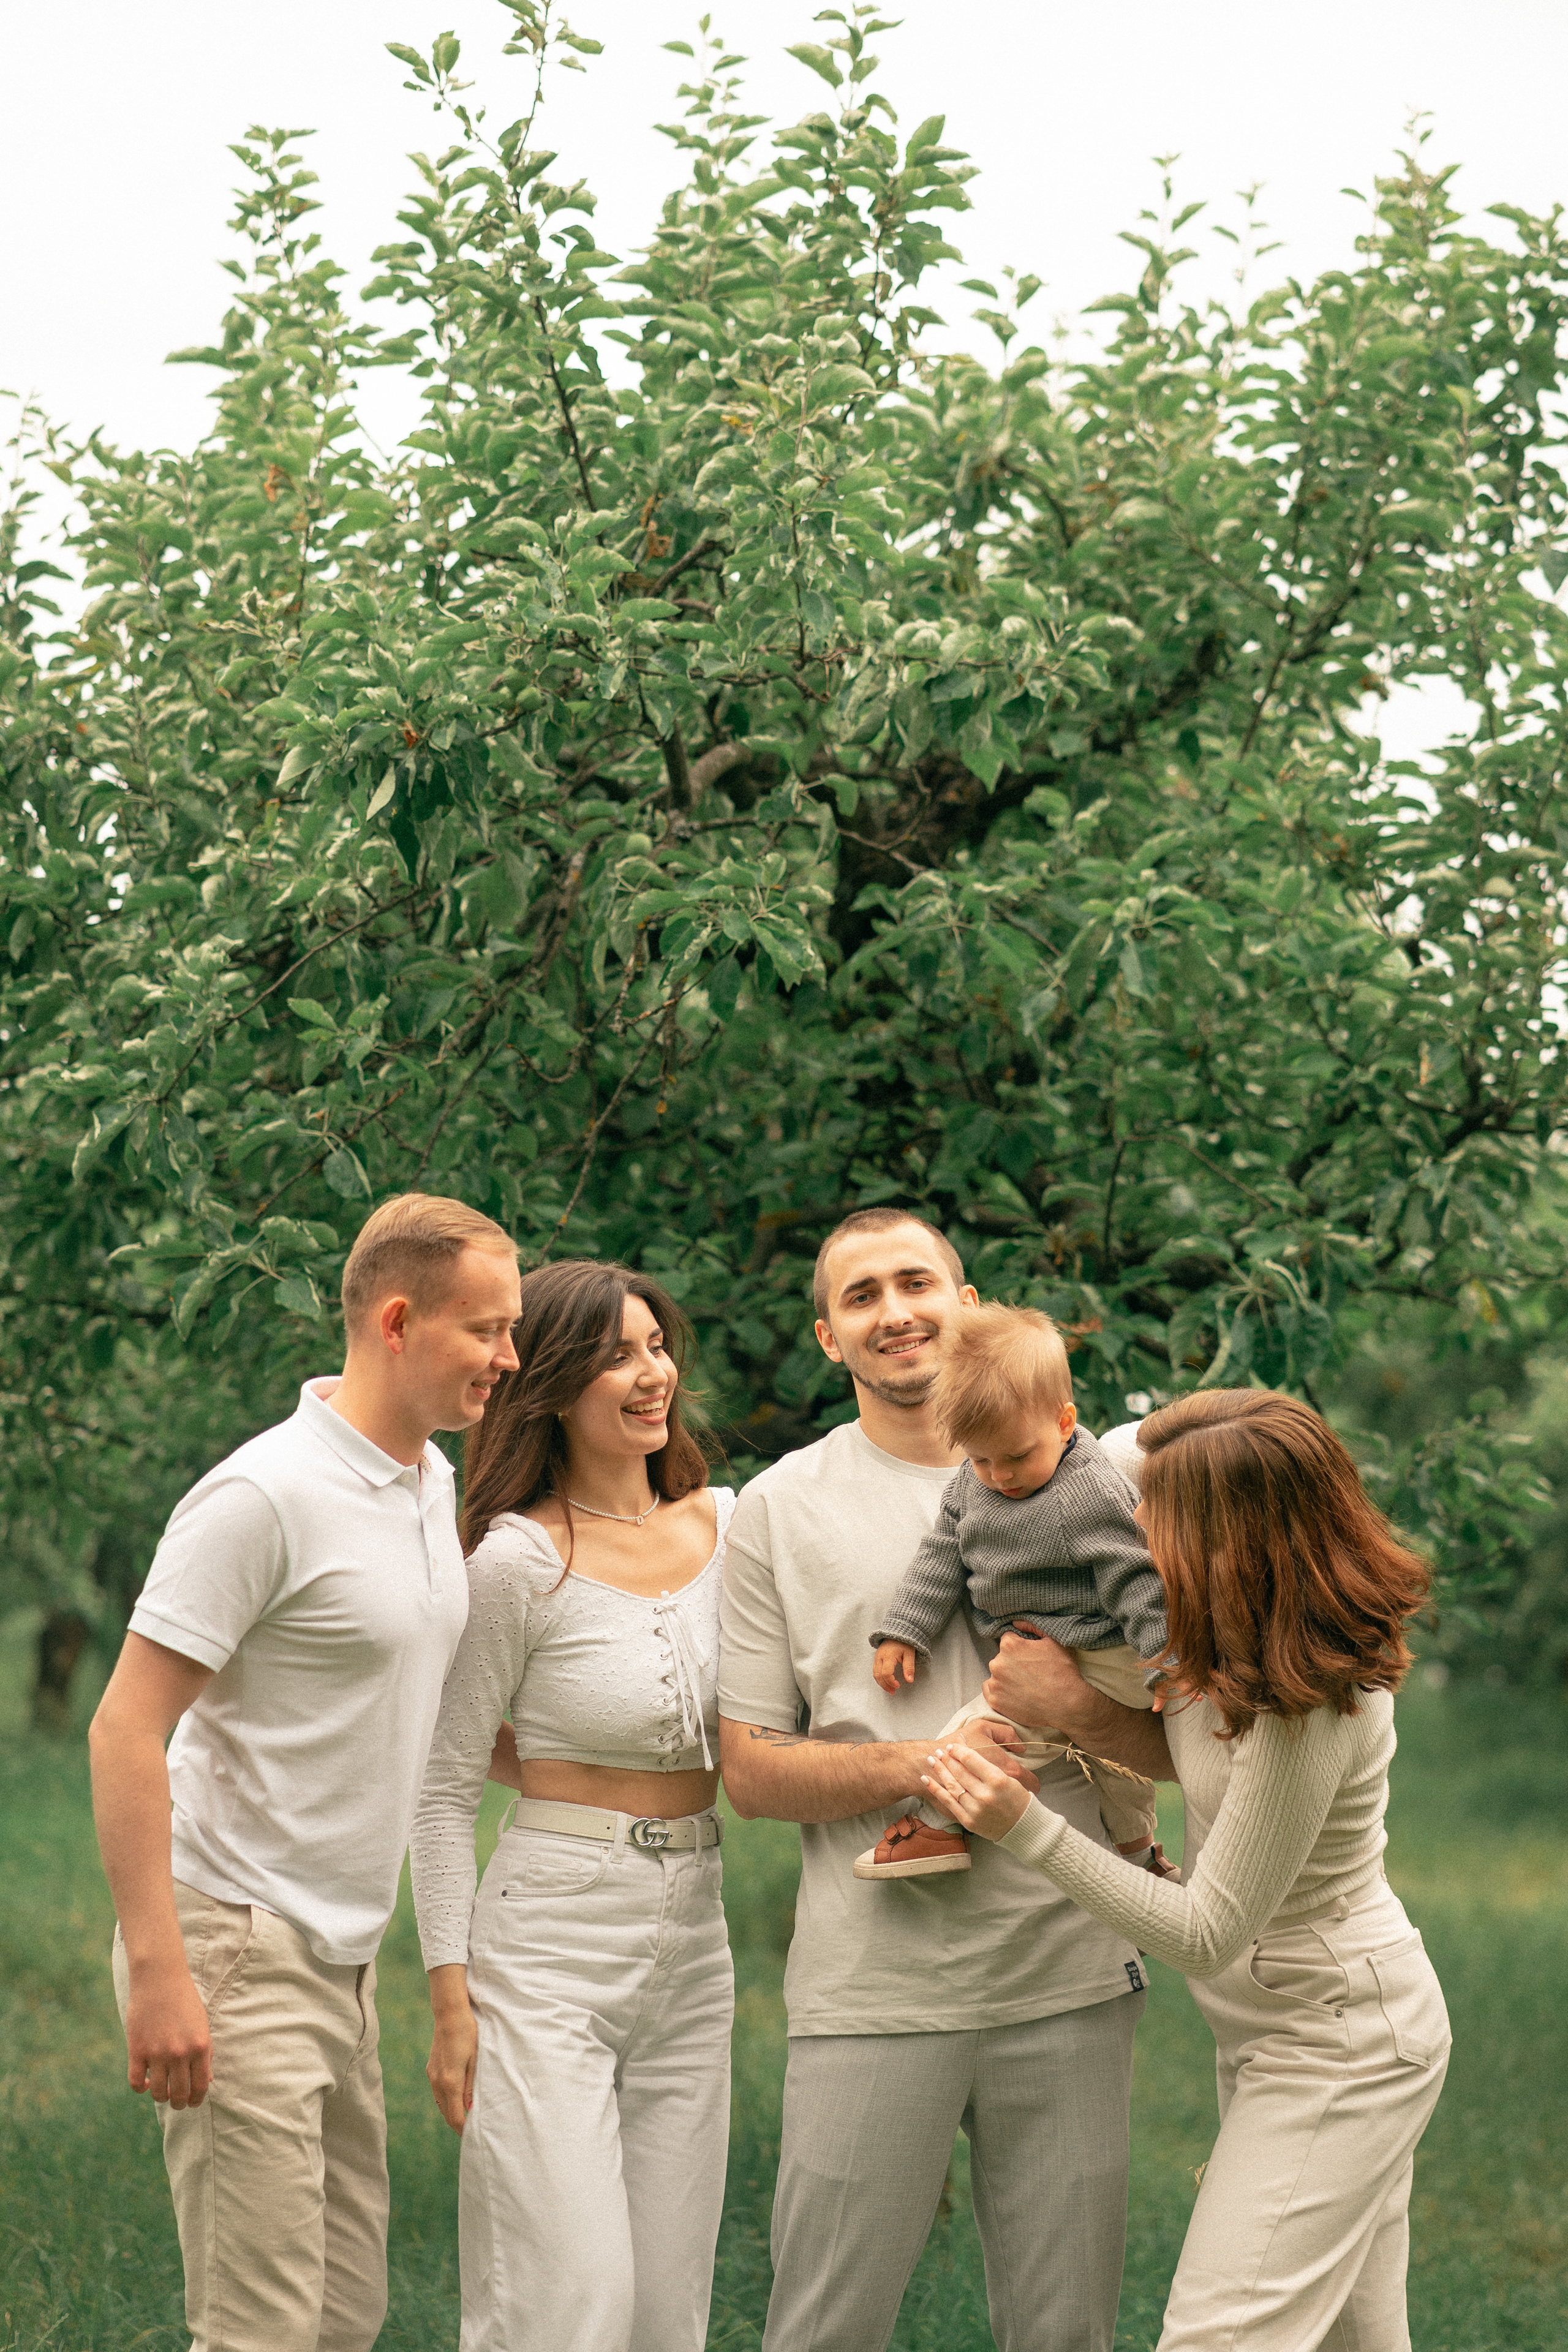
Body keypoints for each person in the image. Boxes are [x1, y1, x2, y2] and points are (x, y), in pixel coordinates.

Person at [718, 1206, 1171, 2352]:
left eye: (915, 1282)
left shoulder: (1100, 1474)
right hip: (875, 1986)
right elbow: (752, 1773)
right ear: (828, 1338)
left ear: (969, 1305)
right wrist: (927, 1767)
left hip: (1068, 1963)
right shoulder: (779, 1507)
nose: (895, 1313)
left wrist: (1084, 1715)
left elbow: (1192, 1728)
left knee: (1065, 2333)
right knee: (824, 2329)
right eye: (860, 1296)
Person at [924, 1387, 1450, 2352]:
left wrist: (1020, 1824)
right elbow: (1203, 1764)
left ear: (1236, 1538)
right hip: (1273, 2025)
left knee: (1217, 2335)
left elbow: (1209, 1934)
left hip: (1342, 2039)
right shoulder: (1203, 1578)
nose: (1131, 1527)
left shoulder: (1312, 1697)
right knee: (1353, 2341)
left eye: (1158, 1517)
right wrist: (1078, 1709)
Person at [89, 1193, 522, 2352]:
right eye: (486, 1329)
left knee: (341, 2319)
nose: (509, 1358)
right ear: (397, 1321)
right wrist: (161, 1975)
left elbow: (414, 1706)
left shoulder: (430, 1481)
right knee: (260, 2333)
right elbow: (125, 1729)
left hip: (340, 1959)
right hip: (234, 1943)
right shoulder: (262, 1495)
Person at [409, 1260, 735, 2352]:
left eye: (654, 1346)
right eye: (613, 1357)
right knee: (567, 2303)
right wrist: (451, 1998)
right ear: (549, 1383)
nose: (650, 1376)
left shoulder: (731, 1530)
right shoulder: (515, 1563)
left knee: (666, 2310)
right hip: (548, 1941)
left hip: (697, 1937)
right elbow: (444, 1785)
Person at [861, 1302, 1169, 1880]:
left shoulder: (1088, 1492)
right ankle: (1132, 1853)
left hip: (1106, 1648)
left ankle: (942, 1827)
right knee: (1050, 1751)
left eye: (1018, 1457)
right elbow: (941, 1553)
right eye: (980, 1459)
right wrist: (906, 1628)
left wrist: (1164, 1658)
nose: (1000, 1476)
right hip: (1038, 1645)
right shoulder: (972, 1484)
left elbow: (1135, 1579)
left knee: (1024, 1740)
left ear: (1063, 1421)